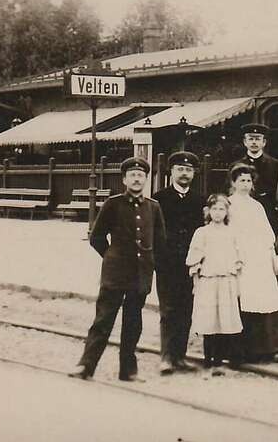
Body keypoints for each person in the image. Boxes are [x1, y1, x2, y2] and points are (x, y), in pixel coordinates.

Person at [68, 156, 166, 382]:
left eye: (140, 175)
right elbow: (97, 237)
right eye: (132, 175)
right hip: (115, 274)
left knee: (133, 323)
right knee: (103, 320)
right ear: (124, 179)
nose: (137, 179)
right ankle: (86, 365)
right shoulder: (113, 204)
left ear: (146, 179)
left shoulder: (153, 207)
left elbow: (160, 242)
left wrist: (151, 265)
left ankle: (128, 370)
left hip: (140, 275)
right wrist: (112, 257)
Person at [227, 163, 278, 363]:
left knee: (266, 299)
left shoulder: (257, 205)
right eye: (241, 180)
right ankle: (246, 350)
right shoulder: (228, 205)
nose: (245, 184)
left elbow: (267, 234)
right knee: (245, 299)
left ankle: (271, 347)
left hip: (259, 257)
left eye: (248, 180)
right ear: (233, 183)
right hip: (240, 258)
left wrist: (271, 258)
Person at [154, 150, 206, 374]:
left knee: (186, 310)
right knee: (168, 309)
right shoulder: (158, 199)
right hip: (167, 263)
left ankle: (180, 357)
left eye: (188, 170)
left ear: (194, 173)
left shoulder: (201, 199)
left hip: (191, 264)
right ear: (171, 171)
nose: (184, 174)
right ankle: (166, 357)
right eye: (180, 169)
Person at [187, 194, 244, 375]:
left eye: (221, 209)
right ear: (208, 211)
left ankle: (221, 359)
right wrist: (196, 272)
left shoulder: (232, 232)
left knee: (224, 318)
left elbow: (239, 255)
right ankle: (208, 359)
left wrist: (236, 270)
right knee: (209, 317)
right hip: (209, 280)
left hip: (226, 280)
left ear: (227, 212)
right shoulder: (202, 232)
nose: (218, 213)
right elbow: (194, 255)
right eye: (214, 209)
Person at [234, 123, 278, 232]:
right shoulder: (237, 165)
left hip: (268, 210)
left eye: (257, 139)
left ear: (264, 142)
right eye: (251, 139)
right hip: (243, 209)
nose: (254, 142)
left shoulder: (275, 164)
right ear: (245, 142)